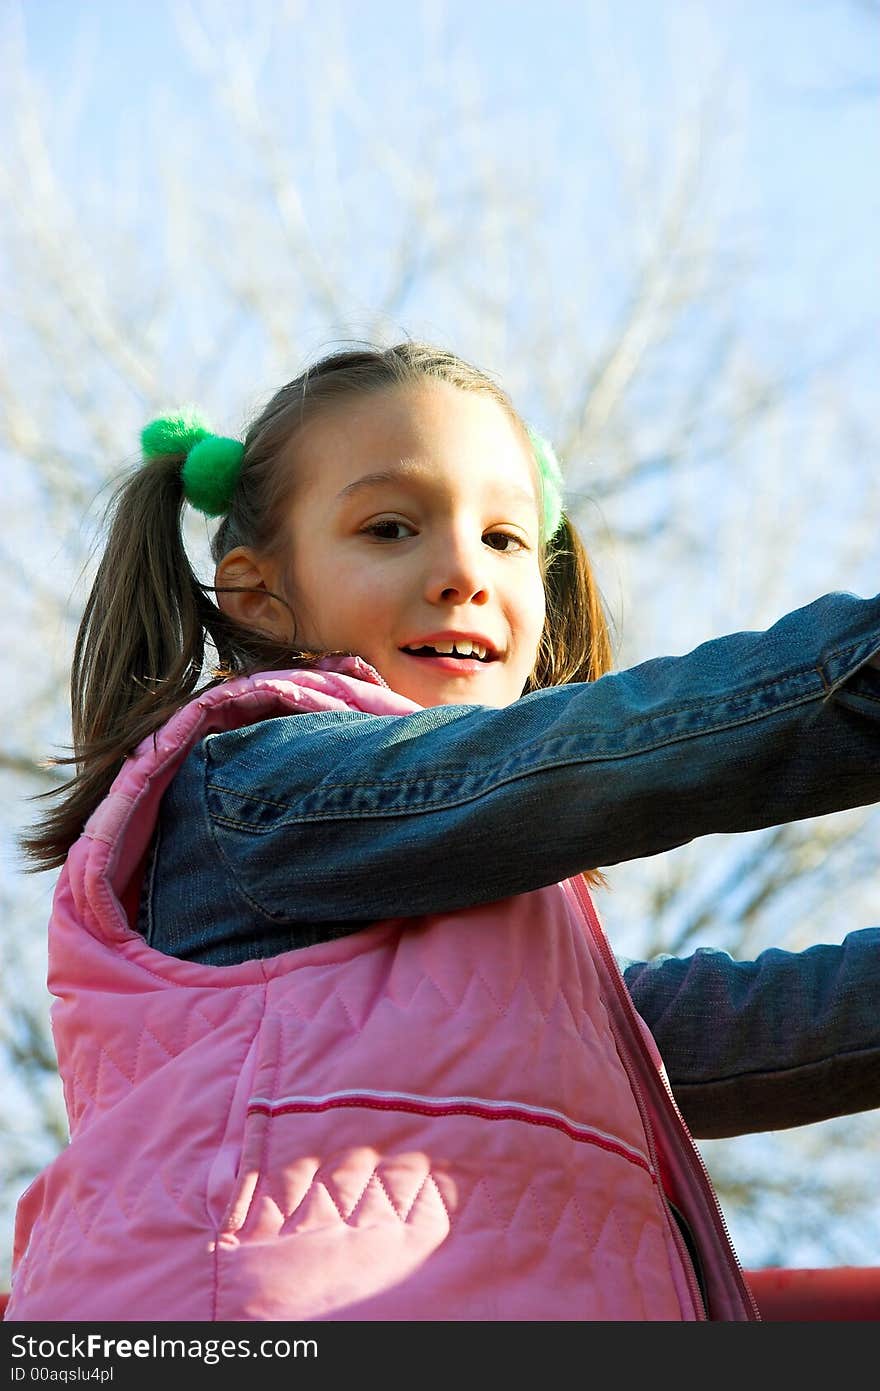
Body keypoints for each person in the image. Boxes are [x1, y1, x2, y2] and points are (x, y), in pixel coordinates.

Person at [8, 341, 880, 1323]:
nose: (464, 569)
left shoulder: (524, 975)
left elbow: (736, 1033)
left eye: (506, 539)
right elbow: (596, 756)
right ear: (257, 590)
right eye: (390, 527)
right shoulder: (254, 790)